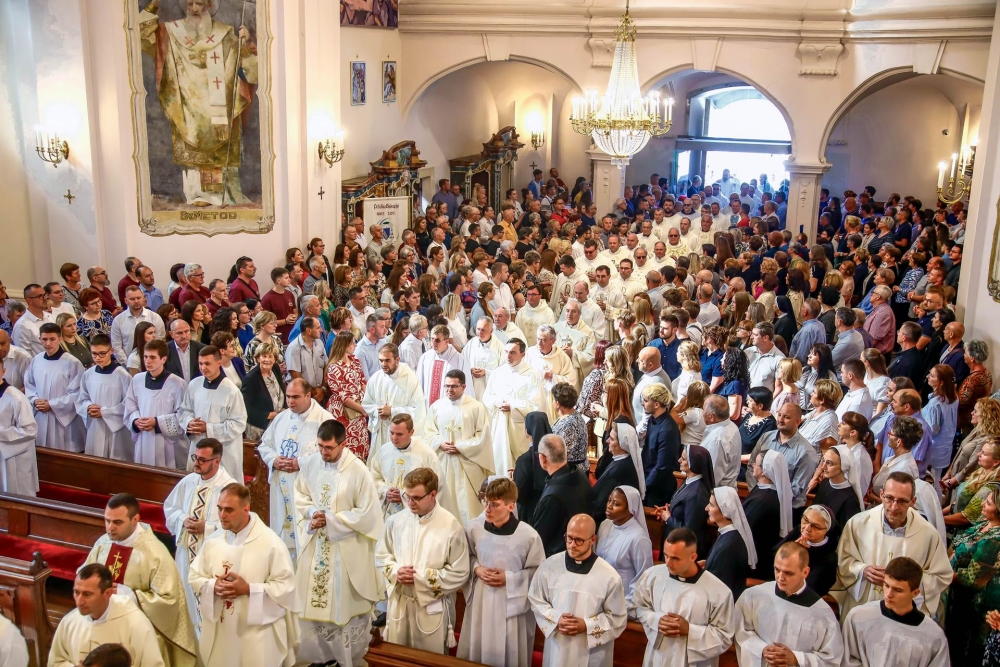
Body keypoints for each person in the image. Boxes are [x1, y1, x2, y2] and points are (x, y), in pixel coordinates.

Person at [292, 419, 383, 667]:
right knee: (310, 605)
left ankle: (342, 658)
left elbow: (368, 514)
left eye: (329, 448)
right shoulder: (311, 463)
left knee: (340, 607)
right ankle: (315, 657)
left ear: (343, 444)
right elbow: (299, 494)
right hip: (316, 544)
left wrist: (332, 521)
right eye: (320, 446)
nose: (324, 452)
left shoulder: (358, 471)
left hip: (344, 548)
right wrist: (312, 513)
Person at [188, 484, 297, 667]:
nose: (222, 515)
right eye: (220, 508)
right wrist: (214, 586)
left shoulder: (271, 544)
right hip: (221, 631)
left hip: (255, 635)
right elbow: (195, 575)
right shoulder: (213, 541)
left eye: (229, 510)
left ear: (246, 509)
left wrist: (248, 589)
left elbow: (286, 588)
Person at [82, 493, 197, 667]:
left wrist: (128, 594)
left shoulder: (155, 554)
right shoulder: (103, 543)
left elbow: (170, 601)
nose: (110, 528)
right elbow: (83, 576)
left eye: (117, 522)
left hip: (138, 634)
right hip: (103, 625)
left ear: (135, 519)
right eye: (107, 521)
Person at [375, 467, 470, 653]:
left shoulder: (450, 526)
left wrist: (420, 578)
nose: (410, 502)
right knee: (396, 658)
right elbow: (381, 556)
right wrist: (395, 571)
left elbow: (460, 572)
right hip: (400, 605)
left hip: (430, 608)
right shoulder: (395, 521)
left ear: (433, 494)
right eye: (407, 496)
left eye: (416, 498)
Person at [837, 471, 952, 618]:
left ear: (913, 501)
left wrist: (907, 582)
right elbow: (843, 560)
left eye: (902, 501)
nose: (894, 507)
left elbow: (941, 576)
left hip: (903, 614)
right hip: (864, 608)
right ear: (881, 495)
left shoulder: (927, 534)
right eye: (889, 498)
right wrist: (862, 571)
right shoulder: (858, 524)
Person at [458, 477, 545, 667]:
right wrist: (477, 569)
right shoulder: (474, 528)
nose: (487, 509)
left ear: (510, 506)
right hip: (481, 603)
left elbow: (538, 574)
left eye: (494, 505)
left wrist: (509, 578)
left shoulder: (528, 536)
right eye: (486, 502)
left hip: (511, 608)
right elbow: (466, 557)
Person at [528, 513, 627, 667]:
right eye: (569, 538)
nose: (572, 544)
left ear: (593, 540)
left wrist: (587, 625)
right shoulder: (549, 567)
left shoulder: (609, 576)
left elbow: (617, 618)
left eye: (579, 540)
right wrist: (556, 618)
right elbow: (536, 599)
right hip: (557, 648)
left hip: (590, 653)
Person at [631, 526, 735, 667]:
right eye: (666, 555)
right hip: (658, 658)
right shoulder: (653, 576)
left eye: (675, 558)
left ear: (693, 557)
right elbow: (640, 607)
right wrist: (657, 620)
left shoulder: (718, 591)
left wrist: (690, 630)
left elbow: (724, 636)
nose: (668, 563)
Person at [256, 379, 334, 561]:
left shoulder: (324, 420)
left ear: (308, 395)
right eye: (288, 397)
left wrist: (301, 463)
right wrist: (274, 460)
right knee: (282, 537)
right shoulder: (281, 418)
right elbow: (265, 445)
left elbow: (331, 454)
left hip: (305, 489)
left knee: (304, 539)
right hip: (281, 485)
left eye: (296, 397)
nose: (290, 401)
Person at [734, 542, 844, 667]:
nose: (780, 577)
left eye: (788, 573)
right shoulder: (753, 596)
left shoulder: (823, 614)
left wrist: (797, 659)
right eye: (777, 569)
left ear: (805, 572)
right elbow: (740, 630)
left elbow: (831, 658)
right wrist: (762, 649)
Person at [163, 438, 235, 628]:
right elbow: (170, 508)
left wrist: (208, 528)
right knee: (185, 602)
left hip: (212, 559)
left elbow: (237, 524)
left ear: (217, 461)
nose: (196, 462)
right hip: (186, 555)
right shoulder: (189, 481)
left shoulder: (229, 487)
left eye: (202, 459)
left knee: (207, 609)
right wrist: (182, 519)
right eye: (195, 457)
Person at [842, 556, 950, 667]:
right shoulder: (858, 617)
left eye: (898, 590)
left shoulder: (933, 636)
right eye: (886, 585)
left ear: (915, 593)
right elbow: (847, 659)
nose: (888, 594)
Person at [49, 564, 164, 667]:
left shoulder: (136, 624)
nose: (79, 601)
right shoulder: (70, 621)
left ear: (108, 593)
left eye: (87, 594)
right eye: (76, 592)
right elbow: (56, 662)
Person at [424, 369, 494, 525]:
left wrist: (461, 447)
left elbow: (482, 436)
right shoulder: (436, 407)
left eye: (454, 386)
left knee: (468, 504)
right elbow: (428, 433)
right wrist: (440, 443)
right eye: (447, 386)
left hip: (467, 463)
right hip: (443, 462)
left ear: (463, 386)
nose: (449, 390)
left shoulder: (475, 407)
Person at [946, 484, 1000, 664]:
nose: (984, 503)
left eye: (990, 503)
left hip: (973, 604)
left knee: (962, 649)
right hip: (957, 593)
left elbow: (972, 579)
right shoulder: (985, 523)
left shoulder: (995, 540)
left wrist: (938, 576)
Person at [177, 346, 248, 478]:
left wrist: (208, 428)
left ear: (219, 363)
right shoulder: (194, 385)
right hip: (198, 446)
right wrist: (189, 423)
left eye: (207, 363)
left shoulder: (231, 391)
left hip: (224, 451)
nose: (203, 367)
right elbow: (184, 410)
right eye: (200, 363)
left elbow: (238, 424)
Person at [482, 339, 546, 474]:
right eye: (506, 352)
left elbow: (536, 405)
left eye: (512, 353)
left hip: (519, 430)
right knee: (500, 462)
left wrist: (512, 405)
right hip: (500, 427)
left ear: (522, 354)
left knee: (518, 466)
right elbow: (487, 397)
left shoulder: (531, 375)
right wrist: (496, 402)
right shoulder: (497, 373)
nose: (508, 356)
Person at [369, 414, 445, 520]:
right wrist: (385, 491)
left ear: (411, 432)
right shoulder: (383, 451)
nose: (394, 438)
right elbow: (373, 477)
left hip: (415, 515)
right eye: (391, 433)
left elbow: (437, 486)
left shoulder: (426, 454)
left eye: (399, 434)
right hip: (387, 512)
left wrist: (405, 495)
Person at [25, 322, 86, 451]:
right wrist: (35, 400)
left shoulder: (72, 362)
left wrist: (52, 404)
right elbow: (29, 384)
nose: (48, 343)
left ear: (60, 339)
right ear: (39, 339)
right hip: (40, 414)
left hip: (62, 419)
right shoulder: (36, 360)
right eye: (44, 339)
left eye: (52, 339)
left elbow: (77, 392)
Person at [533, 433, 595, 556]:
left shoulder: (552, 497)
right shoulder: (580, 474)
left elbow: (539, 539)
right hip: (582, 547)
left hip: (559, 558)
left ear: (543, 458)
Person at [747, 403, 818, 509]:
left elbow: (796, 489)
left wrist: (766, 499)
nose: (780, 420)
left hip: (785, 510)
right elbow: (751, 466)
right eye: (779, 415)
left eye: (787, 417)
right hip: (757, 501)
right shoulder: (766, 437)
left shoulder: (806, 453)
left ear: (798, 422)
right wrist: (756, 494)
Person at [361, 343, 426, 458]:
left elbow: (418, 410)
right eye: (380, 360)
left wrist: (392, 411)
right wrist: (378, 411)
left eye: (387, 360)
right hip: (381, 431)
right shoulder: (376, 378)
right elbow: (367, 403)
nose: (383, 364)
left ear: (397, 359)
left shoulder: (410, 379)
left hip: (400, 434)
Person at [651, 445, 715, 559]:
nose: (679, 460)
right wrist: (671, 508)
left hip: (682, 552)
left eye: (684, 459)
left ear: (693, 463)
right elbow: (684, 506)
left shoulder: (697, 493)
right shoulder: (689, 481)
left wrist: (669, 518)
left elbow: (690, 531)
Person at [75, 334, 133, 461]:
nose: (98, 358)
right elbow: (82, 398)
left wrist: (105, 412)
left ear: (111, 351)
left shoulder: (122, 375)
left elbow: (129, 403)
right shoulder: (88, 374)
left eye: (102, 353)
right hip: (95, 426)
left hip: (116, 428)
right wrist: (88, 407)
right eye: (94, 354)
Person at [595, 486, 653, 599]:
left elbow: (643, 579)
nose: (609, 506)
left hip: (622, 597)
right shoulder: (605, 524)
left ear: (630, 509)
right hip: (599, 592)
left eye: (616, 504)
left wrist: (625, 606)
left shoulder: (639, 539)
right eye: (609, 500)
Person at [744, 450, 793, 579]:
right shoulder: (762, 488)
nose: (753, 464)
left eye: (757, 463)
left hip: (755, 562)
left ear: (765, 470)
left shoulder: (764, 501)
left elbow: (747, 530)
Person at [705, 486, 756, 601]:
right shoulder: (728, 535)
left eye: (711, 505)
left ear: (725, 511)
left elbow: (719, 586)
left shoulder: (730, 545)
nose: (706, 508)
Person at [776, 505, 840, 595]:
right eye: (805, 520)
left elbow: (810, 588)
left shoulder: (829, 558)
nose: (807, 528)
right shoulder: (798, 532)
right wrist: (791, 547)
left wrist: (798, 555)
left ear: (826, 530)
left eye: (816, 526)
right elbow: (773, 557)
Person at [592, 420, 644, 523]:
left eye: (611, 439)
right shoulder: (621, 460)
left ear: (622, 444)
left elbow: (601, 506)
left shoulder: (620, 470)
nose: (607, 441)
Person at [0, 355, 38, 496]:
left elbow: (30, 431)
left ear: (3, 371)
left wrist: (1, 433)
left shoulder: (16, 397)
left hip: (12, 459)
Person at [640, 382, 682, 506]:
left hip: (658, 490)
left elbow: (662, 466)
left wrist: (644, 486)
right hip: (648, 481)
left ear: (657, 404)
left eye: (646, 401)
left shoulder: (667, 429)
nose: (643, 403)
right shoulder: (652, 420)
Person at [416, 324, 471, 411]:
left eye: (437, 340)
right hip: (428, 407)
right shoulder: (425, 358)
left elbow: (467, 388)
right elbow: (419, 383)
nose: (433, 343)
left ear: (446, 341)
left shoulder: (459, 360)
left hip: (450, 409)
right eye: (432, 339)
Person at [811, 445, 864, 528]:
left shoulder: (850, 500)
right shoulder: (825, 482)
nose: (823, 467)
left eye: (829, 463)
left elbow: (845, 533)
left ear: (843, 466)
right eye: (823, 461)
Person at [111, 286, 166, 366]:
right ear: (126, 300)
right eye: (132, 299)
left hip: (154, 364)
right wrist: (129, 364)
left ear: (143, 298)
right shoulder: (118, 321)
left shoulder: (155, 317)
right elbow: (116, 346)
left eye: (138, 298)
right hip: (128, 366)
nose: (136, 301)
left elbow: (160, 340)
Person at [700, 395, 741, 489]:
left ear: (711, 417)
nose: (702, 413)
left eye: (703, 409)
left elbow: (712, 476)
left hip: (715, 495)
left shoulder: (717, 439)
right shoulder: (732, 425)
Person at [462, 316, 506, 401]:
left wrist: (486, 372)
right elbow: (462, 363)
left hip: (490, 389)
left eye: (483, 330)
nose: (480, 332)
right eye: (478, 329)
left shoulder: (499, 347)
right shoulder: (471, 344)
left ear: (491, 330)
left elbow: (504, 371)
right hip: (472, 388)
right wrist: (470, 370)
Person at [515, 283, 556, 347]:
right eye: (529, 294)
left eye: (533, 294)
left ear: (540, 296)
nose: (530, 297)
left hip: (541, 348)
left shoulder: (548, 312)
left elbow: (550, 333)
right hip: (523, 348)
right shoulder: (521, 312)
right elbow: (517, 331)